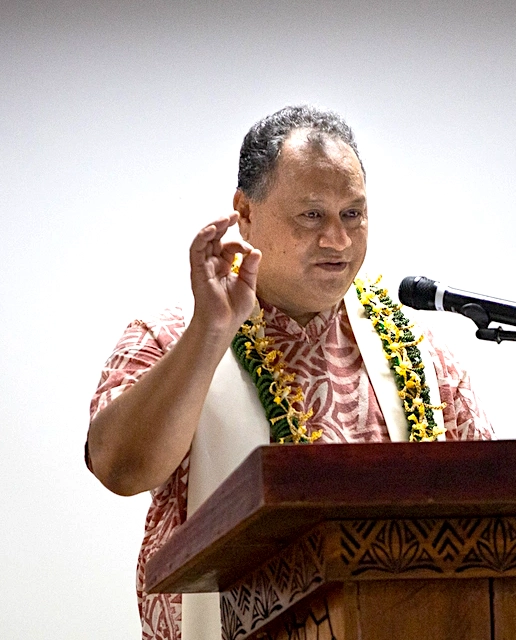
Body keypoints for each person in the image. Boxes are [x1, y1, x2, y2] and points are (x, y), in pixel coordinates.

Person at [86, 105, 494, 640]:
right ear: (244, 212)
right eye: (311, 216)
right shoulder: (168, 337)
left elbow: (488, 505)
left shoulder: (421, 353)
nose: (338, 241)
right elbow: (120, 469)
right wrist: (210, 334)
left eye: (353, 214)